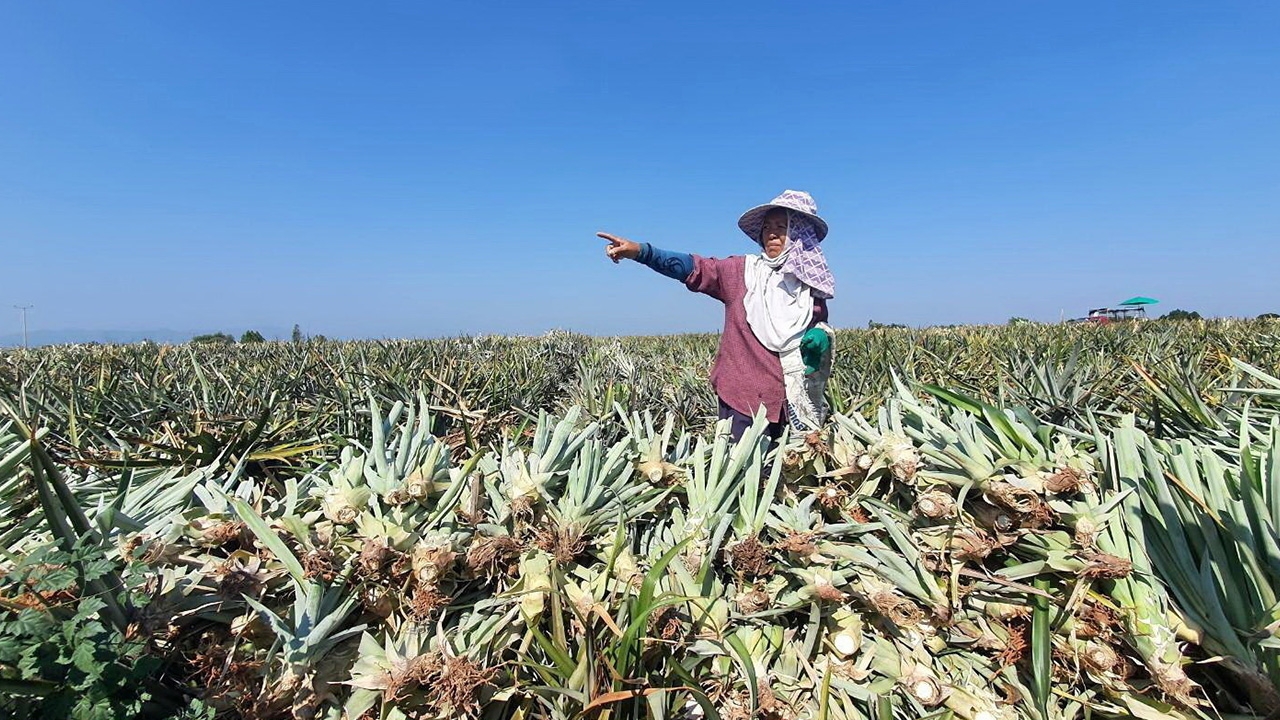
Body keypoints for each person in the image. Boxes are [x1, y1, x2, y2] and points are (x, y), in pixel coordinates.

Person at [598, 189, 836, 441]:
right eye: (767, 227)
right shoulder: (742, 273)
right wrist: (641, 252)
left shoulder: (809, 288)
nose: (772, 233)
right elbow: (695, 268)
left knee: (786, 474)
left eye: (781, 226)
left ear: (798, 234)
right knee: (742, 474)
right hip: (743, 400)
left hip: (791, 403)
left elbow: (819, 327)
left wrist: (820, 336)